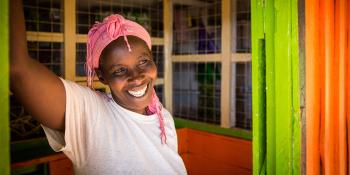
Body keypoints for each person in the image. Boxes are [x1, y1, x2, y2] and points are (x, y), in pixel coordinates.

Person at [10, 0, 187, 174]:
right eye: (119, 70)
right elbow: (18, 69)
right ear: (102, 76)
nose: (137, 76)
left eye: (143, 61)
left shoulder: (163, 116)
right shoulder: (91, 113)